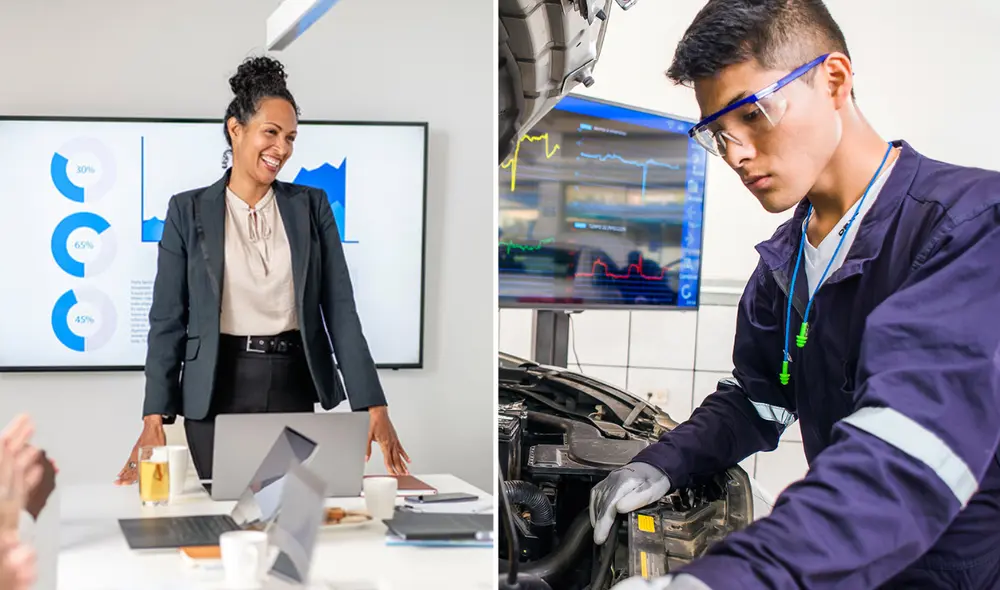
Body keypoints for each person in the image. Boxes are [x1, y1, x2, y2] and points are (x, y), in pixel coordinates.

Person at [590, 1, 1000, 589]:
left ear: (834, 80)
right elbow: (759, 401)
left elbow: (908, 458)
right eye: (718, 134)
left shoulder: (970, 229)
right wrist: (662, 462)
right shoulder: (783, 263)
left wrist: (725, 581)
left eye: (753, 114)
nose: (736, 155)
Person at [115, 56, 411, 484]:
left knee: (288, 518)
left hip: (291, 380)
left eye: (290, 137)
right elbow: (166, 321)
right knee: (228, 521)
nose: (283, 149)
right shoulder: (187, 210)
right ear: (236, 129)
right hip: (216, 387)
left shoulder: (311, 206)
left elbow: (341, 310)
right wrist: (153, 417)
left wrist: (372, 404)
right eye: (270, 133)